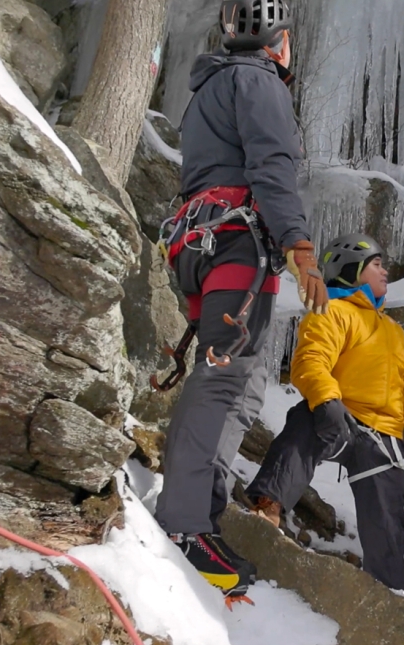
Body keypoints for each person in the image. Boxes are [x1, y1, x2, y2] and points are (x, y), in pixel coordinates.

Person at [152, 0, 331, 605]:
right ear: (279, 43)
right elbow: (273, 167)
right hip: (235, 246)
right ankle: (183, 523)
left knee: (229, 379)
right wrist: (299, 246)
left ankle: (198, 509)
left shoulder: (208, 87)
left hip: (198, 244)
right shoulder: (260, 83)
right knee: (222, 381)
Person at [244, 233, 404, 593]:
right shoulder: (333, 311)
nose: (386, 271)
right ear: (352, 269)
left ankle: (391, 596)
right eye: (377, 264)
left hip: (382, 437)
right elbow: (311, 360)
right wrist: (326, 402)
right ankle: (267, 505)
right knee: (304, 422)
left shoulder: (393, 331)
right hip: (341, 419)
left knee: (387, 525)